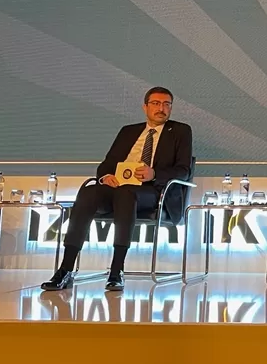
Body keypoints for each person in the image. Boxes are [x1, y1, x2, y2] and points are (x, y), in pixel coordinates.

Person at [42, 87, 193, 292]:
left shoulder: (180, 131)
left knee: (126, 193)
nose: (162, 108)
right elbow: (106, 165)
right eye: (156, 103)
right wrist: (106, 177)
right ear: (145, 107)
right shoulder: (128, 131)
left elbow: (184, 170)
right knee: (89, 191)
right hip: (119, 187)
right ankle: (65, 269)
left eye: (167, 104)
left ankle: (116, 270)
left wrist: (154, 173)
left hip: (153, 191)